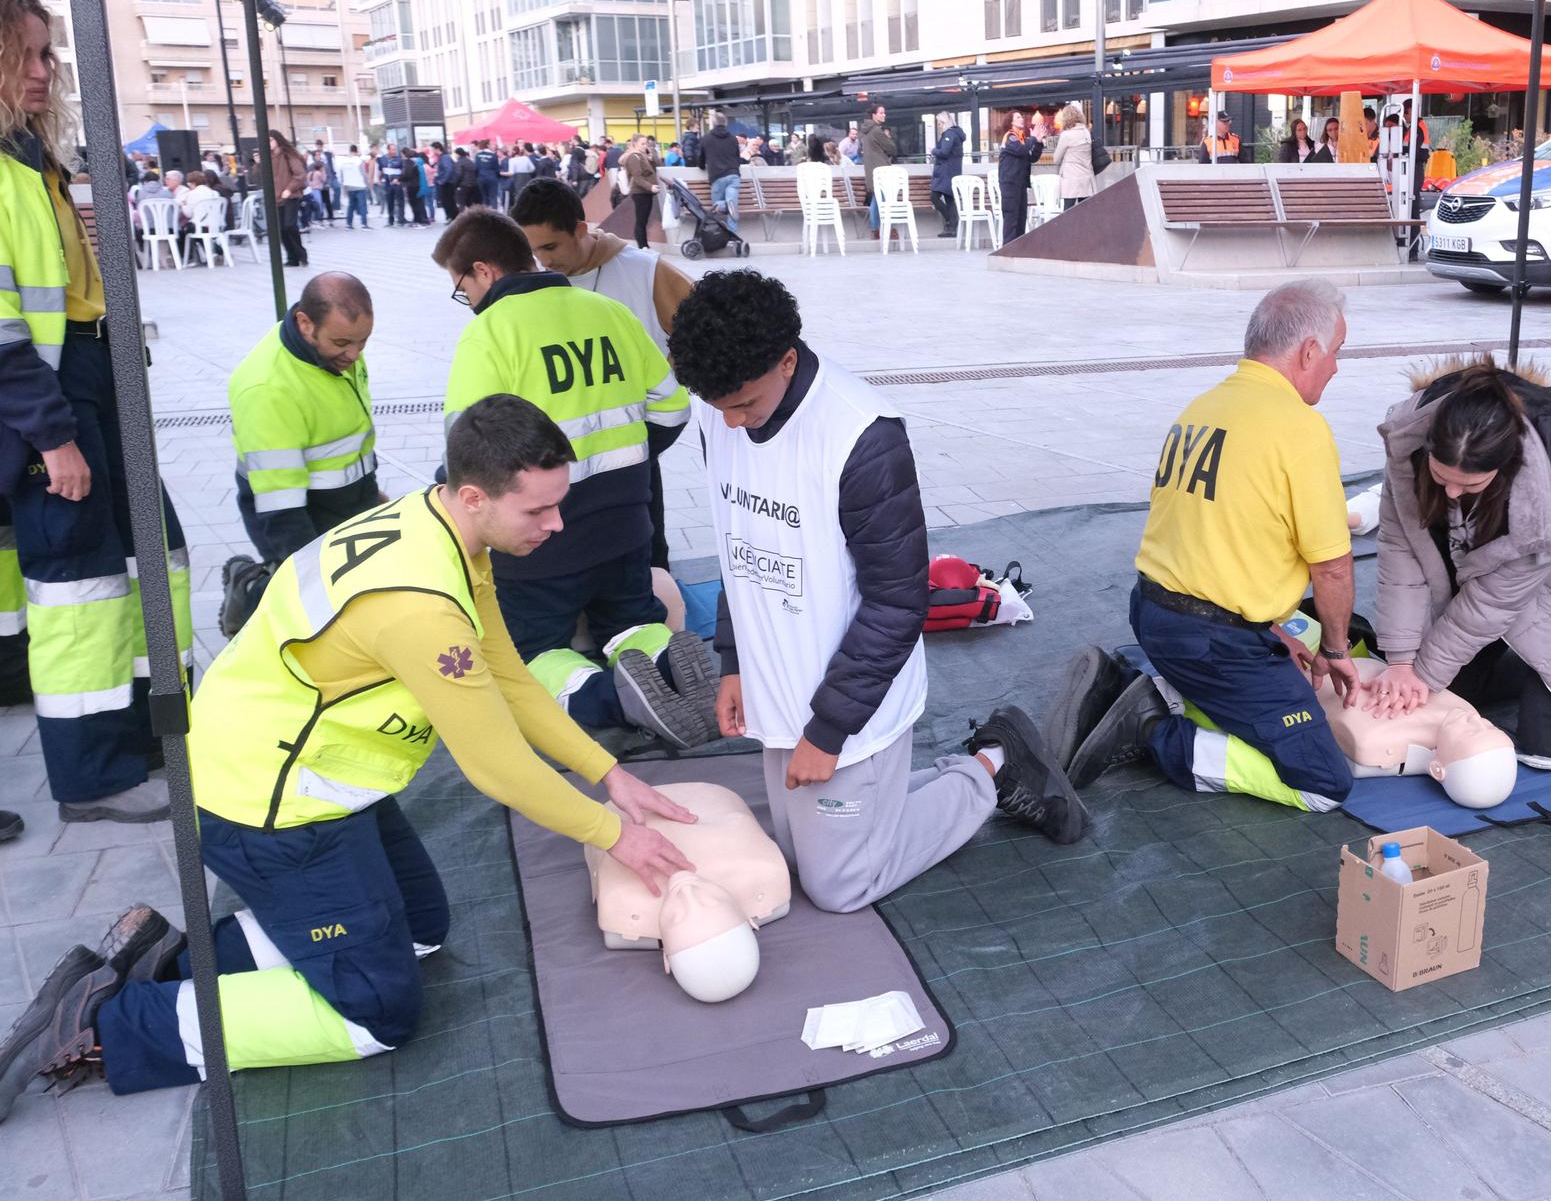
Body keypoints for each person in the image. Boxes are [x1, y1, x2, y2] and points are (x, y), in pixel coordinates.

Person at [0, 397, 706, 1120]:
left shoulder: (446, 531)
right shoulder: (420, 604)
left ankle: (164, 959)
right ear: (473, 495)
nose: (556, 526)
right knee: (378, 1014)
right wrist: (617, 834)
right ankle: (107, 1026)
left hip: (313, 775)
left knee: (422, 929)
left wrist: (610, 774)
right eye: (539, 511)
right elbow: (495, 765)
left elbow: (508, 677)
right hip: (267, 804)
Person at [667, 270, 1088, 913]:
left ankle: (993, 767)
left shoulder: (862, 434)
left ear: (786, 360)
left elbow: (897, 603)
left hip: (852, 706)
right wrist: (733, 661)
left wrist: (829, 732)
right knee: (793, 855)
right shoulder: (719, 402)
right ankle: (899, 794)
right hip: (779, 686)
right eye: (716, 406)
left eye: (744, 405)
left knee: (838, 885)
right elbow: (736, 542)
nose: (729, 423)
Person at [0, 0, 192, 828]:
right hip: (44, 396)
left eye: (47, 54)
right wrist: (53, 436)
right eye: (28, 55)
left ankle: (154, 730)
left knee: (150, 553)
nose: (45, 71)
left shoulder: (27, 158)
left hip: (81, 373)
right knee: (76, 586)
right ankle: (92, 776)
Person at [1063, 281, 1360, 813]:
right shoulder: (1300, 428)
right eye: (1336, 352)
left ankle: (1134, 680)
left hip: (1154, 612)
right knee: (1321, 784)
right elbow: (1333, 568)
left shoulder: (1203, 406)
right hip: (1213, 641)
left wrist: (1272, 630)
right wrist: (1335, 652)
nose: (1336, 368)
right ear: (1309, 351)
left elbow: (1212, 541)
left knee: (1295, 635)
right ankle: (1150, 726)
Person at [432, 209, 712, 745]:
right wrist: (627, 464)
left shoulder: (487, 334)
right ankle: (671, 668)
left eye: (460, 286)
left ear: (484, 272)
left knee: (529, 649)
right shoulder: (607, 312)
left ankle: (615, 700)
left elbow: (465, 454)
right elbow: (674, 409)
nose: (464, 299)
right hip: (628, 521)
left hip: (537, 537)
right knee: (631, 617)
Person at [1371, 359, 1551, 758]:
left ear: (1506, 464)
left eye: (1470, 483)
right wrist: (1401, 662)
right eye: (1442, 478)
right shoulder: (1409, 451)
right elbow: (1400, 554)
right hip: (1496, 599)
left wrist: (1421, 675)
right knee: (1450, 691)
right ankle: (1533, 669)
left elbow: (1489, 605)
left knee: (1547, 740)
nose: (1453, 493)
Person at [510, 178, 694, 580]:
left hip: (633, 452)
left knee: (645, 556)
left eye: (551, 247)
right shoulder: (528, 287)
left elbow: (705, 326)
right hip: (560, 461)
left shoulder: (644, 271)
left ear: (579, 229)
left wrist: (670, 373)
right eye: (534, 250)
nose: (542, 261)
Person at [217, 273, 380, 632]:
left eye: (363, 342)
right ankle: (250, 589)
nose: (354, 355)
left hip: (347, 496)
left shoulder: (335, 352)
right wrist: (305, 570)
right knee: (310, 597)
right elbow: (282, 506)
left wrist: (372, 493)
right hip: (294, 507)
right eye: (342, 342)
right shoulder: (267, 388)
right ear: (305, 324)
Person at [997, 110, 1045, 244]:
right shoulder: (1010, 137)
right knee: (1011, 218)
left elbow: (1032, 157)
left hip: (1020, 184)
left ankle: (1018, 247)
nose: (1021, 119)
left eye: (1021, 117)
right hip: (1010, 184)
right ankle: (1007, 250)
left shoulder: (1021, 138)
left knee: (1021, 217)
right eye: (1017, 117)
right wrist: (1034, 138)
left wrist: (1039, 143)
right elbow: (1021, 150)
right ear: (1011, 122)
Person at [859, 103, 896, 237]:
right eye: (881, 113)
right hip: (881, 170)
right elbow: (892, 148)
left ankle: (876, 229)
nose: (884, 115)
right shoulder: (876, 131)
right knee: (885, 199)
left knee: (877, 198)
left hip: (872, 170)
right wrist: (889, 139)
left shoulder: (865, 131)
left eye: (884, 112)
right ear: (874, 115)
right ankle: (888, 228)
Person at [699, 119, 741, 236]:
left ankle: (718, 235)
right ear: (725, 123)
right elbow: (738, 158)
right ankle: (733, 234)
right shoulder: (733, 138)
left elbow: (700, 160)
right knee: (732, 206)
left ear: (713, 124)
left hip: (717, 177)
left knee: (716, 206)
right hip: (733, 175)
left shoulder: (706, 138)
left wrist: (702, 166)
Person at [1052, 103, 1095, 210]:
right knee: (1085, 212)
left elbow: (1056, 159)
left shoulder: (1066, 135)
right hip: (1086, 178)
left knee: (1068, 212)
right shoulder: (1086, 133)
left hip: (1071, 179)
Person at [930, 112, 965, 237]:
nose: (939, 125)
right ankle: (952, 227)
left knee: (934, 197)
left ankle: (951, 222)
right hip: (952, 171)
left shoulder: (949, 134)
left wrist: (933, 150)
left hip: (946, 172)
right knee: (950, 200)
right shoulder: (956, 134)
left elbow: (944, 152)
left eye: (939, 123)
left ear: (945, 122)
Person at [335, 143, 371, 228]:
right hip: (360, 185)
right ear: (356, 151)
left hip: (349, 186)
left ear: (350, 151)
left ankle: (349, 223)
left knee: (351, 205)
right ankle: (364, 224)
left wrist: (344, 187)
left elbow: (342, 175)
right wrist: (368, 185)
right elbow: (364, 174)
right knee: (362, 205)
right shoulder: (358, 161)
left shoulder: (344, 162)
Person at [377, 141, 407, 226]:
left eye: (395, 149)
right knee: (390, 202)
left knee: (400, 202)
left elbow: (403, 171)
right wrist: (379, 179)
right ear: (388, 150)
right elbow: (380, 170)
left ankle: (401, 219)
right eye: (392, 149)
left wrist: (399, 180)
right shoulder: (382, 159)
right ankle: (391, 220)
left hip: (397, 184)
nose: (394, 151)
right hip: (387, 184)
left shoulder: (399, 159)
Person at [473, 139, 502, 208]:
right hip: (492, 178)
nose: (493, 146)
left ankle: (485, 215)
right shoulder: (493, 155)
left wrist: (477, 177)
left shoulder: (478, 155)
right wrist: (498, 177)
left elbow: (476, 168)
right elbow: (496, 169)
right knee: (493, 197)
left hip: (481, 178)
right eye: (491, 144)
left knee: (484, 197)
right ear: (488, 145)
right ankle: (494, 215)